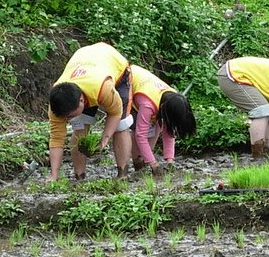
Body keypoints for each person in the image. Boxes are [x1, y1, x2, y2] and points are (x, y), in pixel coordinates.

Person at [48, 42, 133, 181]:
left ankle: (122, 174)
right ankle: (79, 177)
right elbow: (56, 139)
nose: (68, 120)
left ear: (82, 101)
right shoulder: (56, 102)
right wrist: (54, 176)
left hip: (115, 66)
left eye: (70, 116)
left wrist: (105, 139)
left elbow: (115, 113)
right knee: (79, 126)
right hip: (84, 60)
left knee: (121, 126)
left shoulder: (104, 89)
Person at [130, 64, 196, 177]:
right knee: (136, 130)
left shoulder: (173, 99)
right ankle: (137, 164)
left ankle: (144, 161)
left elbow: (169, 131)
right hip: (128, 81)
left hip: (146, 87)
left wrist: (170, 160)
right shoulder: (148, 105)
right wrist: (154, 164)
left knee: (158, 126)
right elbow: (140, 135)